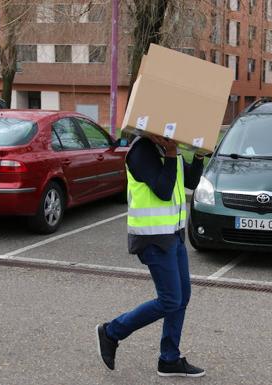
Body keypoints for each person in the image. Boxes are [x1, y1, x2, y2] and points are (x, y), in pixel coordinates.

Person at [96, 132, 206, 377]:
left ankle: (169, 359)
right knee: (170, 300)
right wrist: (170, 153)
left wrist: (198, 156)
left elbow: (189, 181)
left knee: (182, 297)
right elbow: (164, 190)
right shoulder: (142, 150)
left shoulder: (166, 146)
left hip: (174, 235)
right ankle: (111, 332)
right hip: (153, 238)